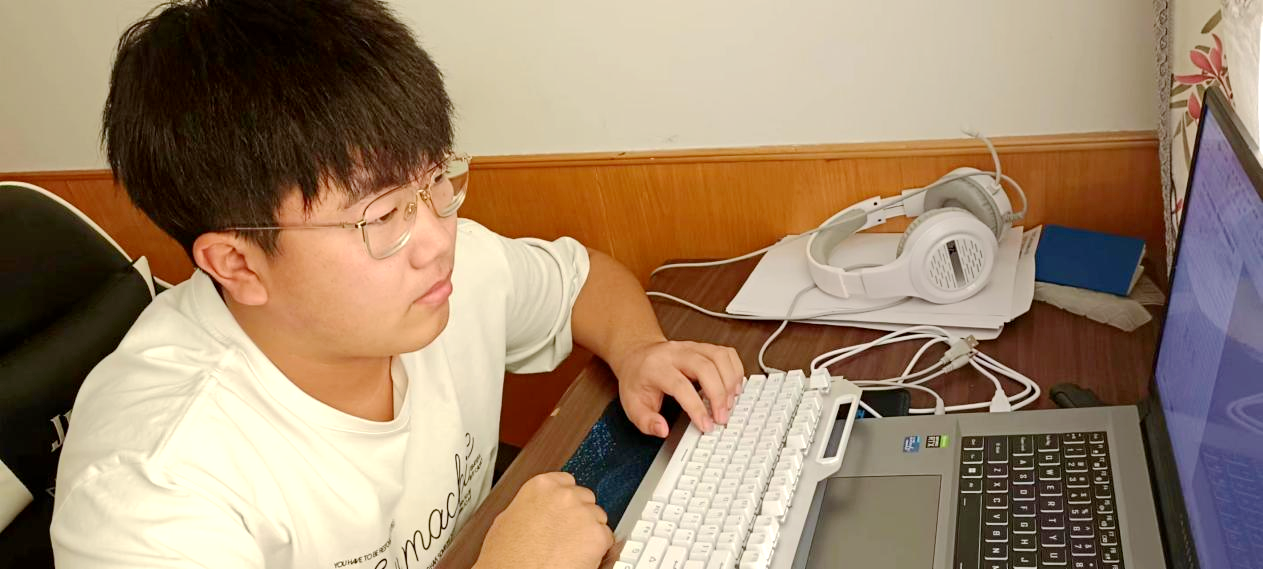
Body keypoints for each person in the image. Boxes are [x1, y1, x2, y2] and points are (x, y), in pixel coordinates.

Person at [49, 1, 744, 567]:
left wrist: (638, 348)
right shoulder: (153, 490)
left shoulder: (441, 271)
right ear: (238, 264)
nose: (438, 238)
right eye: (382, 215)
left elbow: (582, 281)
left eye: (435, 179)